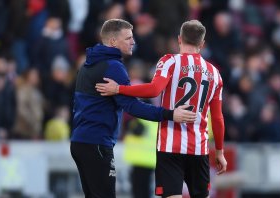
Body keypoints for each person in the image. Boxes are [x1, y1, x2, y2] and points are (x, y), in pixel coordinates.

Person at [96, 20, 227, 198]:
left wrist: (119, 88)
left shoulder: (169, 61)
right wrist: (219, 151)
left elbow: (154, 89)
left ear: (180, 39)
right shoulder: (214, 73)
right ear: (202, 44)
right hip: (198, 147)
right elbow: (218, 118)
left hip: (170, 144)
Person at [70, 19, 196, 198]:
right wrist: (170, 114)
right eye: (128, 37)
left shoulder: (88, 64)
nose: (133, 42)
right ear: (113, 41)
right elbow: (132, 106)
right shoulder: (113, 67)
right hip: (97, 143)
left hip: (80, 141)